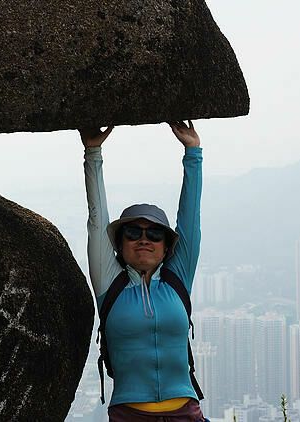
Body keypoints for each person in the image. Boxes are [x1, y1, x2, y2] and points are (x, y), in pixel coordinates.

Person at [80, 121, 206, 421]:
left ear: (167, 246)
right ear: (119, 244)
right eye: (133, 233)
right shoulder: (110, 283)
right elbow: (97, 221)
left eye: (155, 234)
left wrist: (193, 152)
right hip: (130, 414)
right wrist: (93, 153)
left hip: (185, 413)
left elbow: (191, 219)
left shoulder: (177, 280)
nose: (144, 240)